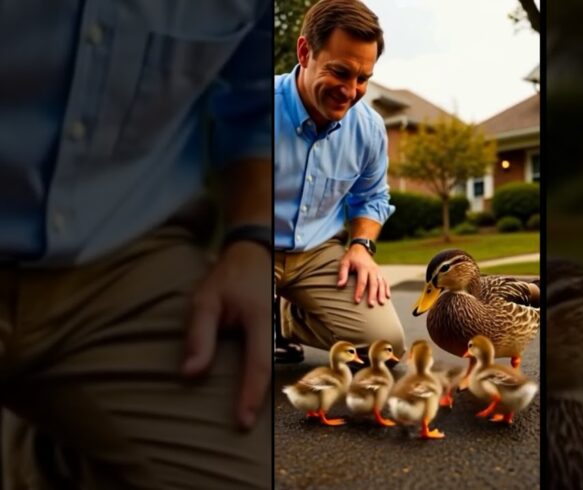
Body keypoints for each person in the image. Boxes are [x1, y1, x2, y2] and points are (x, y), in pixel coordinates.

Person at [0, 2, 272, 489]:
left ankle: (57, 438)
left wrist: (252, 238)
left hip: (125, 257)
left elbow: (256, 108)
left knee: (254, 458)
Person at [274, 0, 406, 363]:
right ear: (305, 52)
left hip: (316, 253)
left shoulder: (369, 128)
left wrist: (361, 245)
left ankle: (286, 318)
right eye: (340, 72)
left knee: (386, 346)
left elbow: (372, 197)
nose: (350, 91)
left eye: (362, 79)